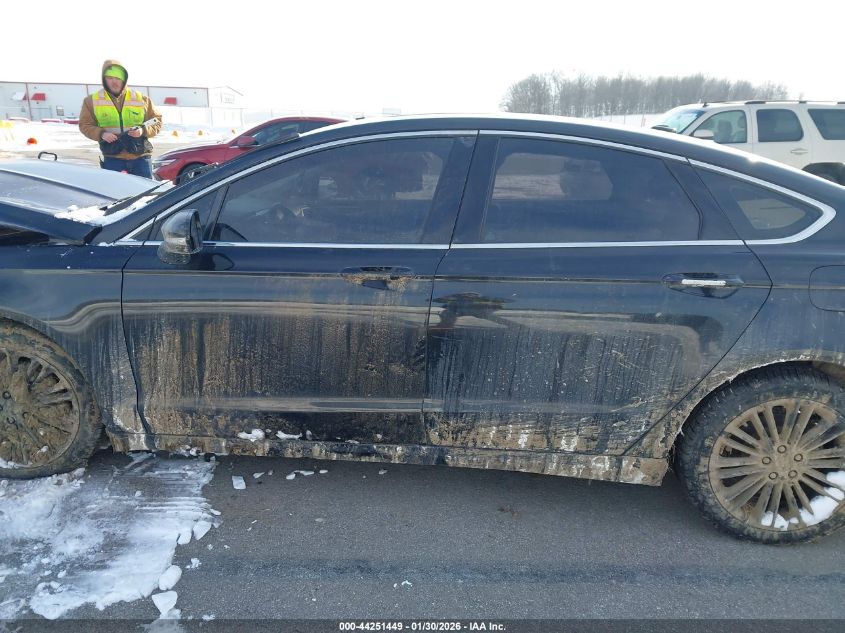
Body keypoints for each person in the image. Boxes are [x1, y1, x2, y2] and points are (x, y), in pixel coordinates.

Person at [79, 60, 162, 178]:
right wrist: (102, 134)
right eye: (110, 77)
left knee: (147, 194)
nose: (114, 81)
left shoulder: (141, 99)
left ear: (124, 78)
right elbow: (85, 125)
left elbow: (156, 120)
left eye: (118, 77)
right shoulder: (92, 101)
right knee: (115, 194)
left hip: (140, 158)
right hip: (113, 159)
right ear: (104, 79)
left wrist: (142, 130)